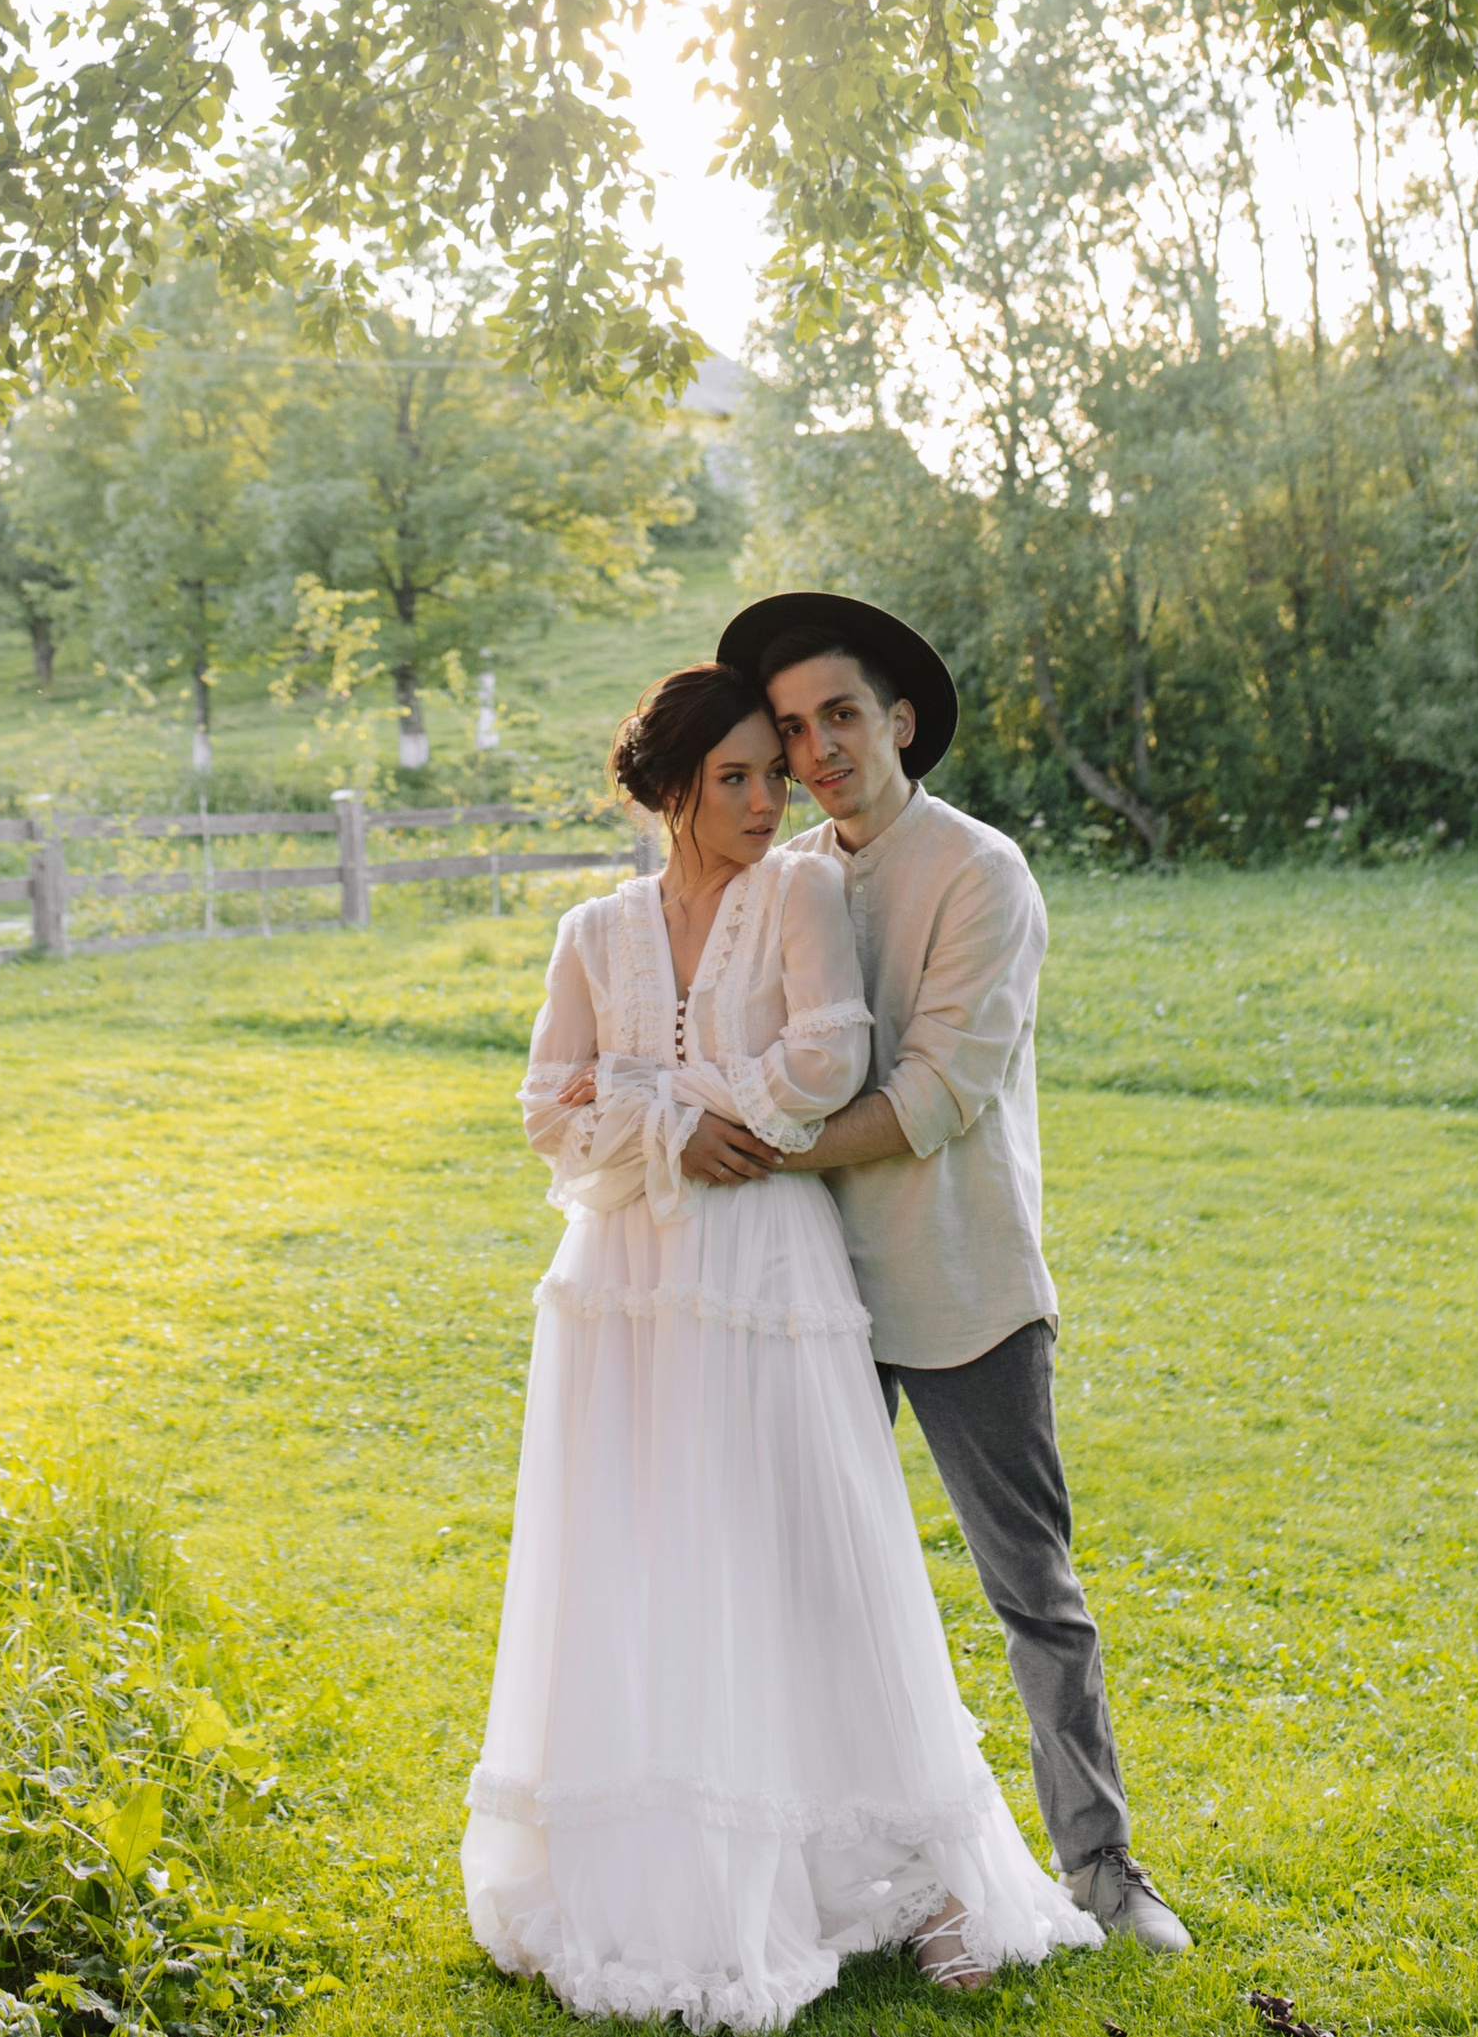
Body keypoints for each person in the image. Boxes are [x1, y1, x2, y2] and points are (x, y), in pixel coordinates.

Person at [462, 663, 1103, 2030]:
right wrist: (665, 1130)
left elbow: (827, 1055)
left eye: (783, 765)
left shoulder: (807, 892)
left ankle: (948, 1875)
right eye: (741, 774)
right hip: (622, 1285)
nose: (773, 793)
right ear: (674, 787)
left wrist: (663, 1121)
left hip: (766, 1266)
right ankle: (667, 1858)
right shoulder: (594, 927)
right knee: (655, 1555)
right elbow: (540, 1102)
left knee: (815, 1550)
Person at [716, 589, 1193, 1961]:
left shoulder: (983, 872)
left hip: (963, 1285)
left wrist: (759, 1150)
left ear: (900, 719)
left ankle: (1101, 1869)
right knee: (815, 1587)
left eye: (841, 715)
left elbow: (936, 1093)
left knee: (1031, 1589)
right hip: (810, 1292)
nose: (815, 748)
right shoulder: (786, 875)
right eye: (793, 726)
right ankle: (855, 1881)